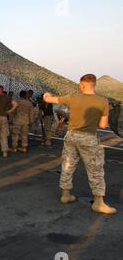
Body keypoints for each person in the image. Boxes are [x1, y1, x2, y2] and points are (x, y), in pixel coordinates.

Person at [44, 74, 116, 215]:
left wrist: (47, 95)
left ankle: (65, 195)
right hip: (89, 137)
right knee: (95, 169)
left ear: (82, 85)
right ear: (94, 85)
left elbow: (49, 99)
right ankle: (99, 203)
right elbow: (103, 125)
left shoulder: (73, 97)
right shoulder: (103, 101)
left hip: (71, 135)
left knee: (68, 165)